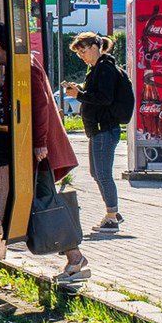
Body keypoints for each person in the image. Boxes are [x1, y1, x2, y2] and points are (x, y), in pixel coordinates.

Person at [0, 23, 88, 285]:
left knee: (45, 199)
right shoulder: (18, 65)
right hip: (27, 146)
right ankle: (74, 257)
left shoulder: (25, 67)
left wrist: (40, 143)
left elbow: (40, 106)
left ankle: (76, 258)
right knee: (43, 199)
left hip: (36, 149)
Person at [64, 32, 129, 232]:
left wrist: (79, 94)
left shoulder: (105, 69)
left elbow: (104, 98)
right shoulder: (96, 69)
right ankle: (113, 212)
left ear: (94, 47)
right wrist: (80, 90)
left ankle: (112, 216)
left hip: (104, 128)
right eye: (78, 54)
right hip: (98, 129)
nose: (81, 56)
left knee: (103, 173)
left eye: (82, 51)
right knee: (96, 172)